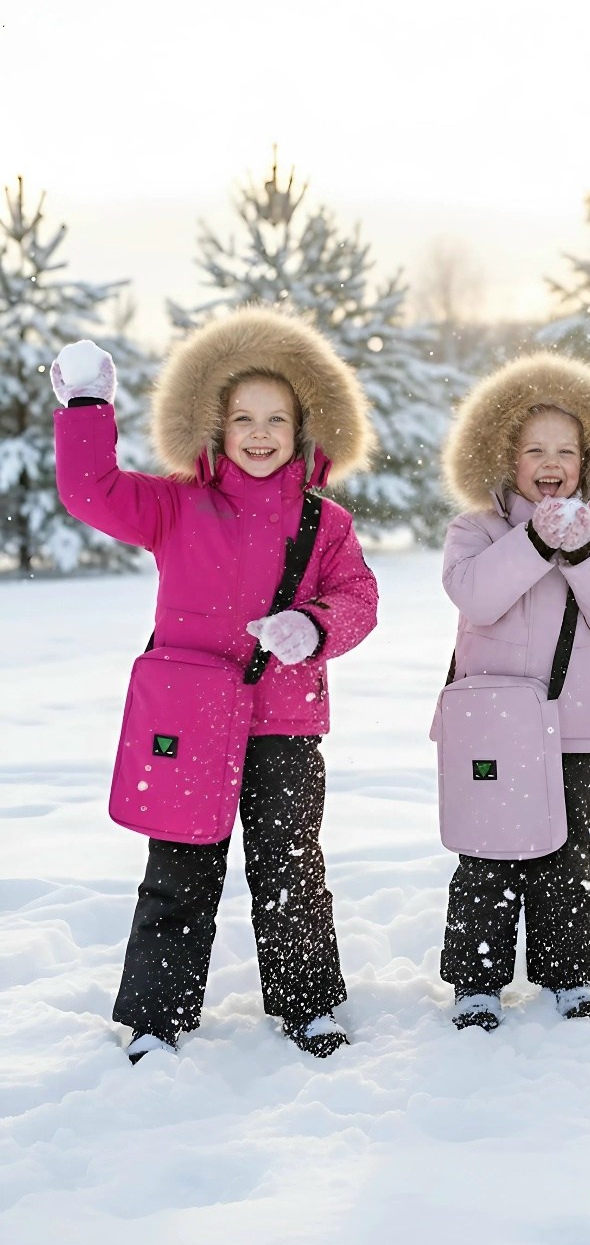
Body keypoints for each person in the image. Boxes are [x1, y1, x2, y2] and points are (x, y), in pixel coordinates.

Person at [51, 306, 379, 1061]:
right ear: (214, 425)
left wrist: (316, 627)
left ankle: (308, 1006)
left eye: (277, 419)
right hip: (188, 724)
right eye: (242, 418)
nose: (260, 434)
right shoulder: (174, 505)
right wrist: (88, 409)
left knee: (291, 870)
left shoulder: (325, 523)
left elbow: (360, 598)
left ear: (305, 429)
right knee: (178, 875)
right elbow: (90, 492)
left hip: (285, 726)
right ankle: (156, 1021)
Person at [437, 352, 590, 1030]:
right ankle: (477, 981)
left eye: (565, 449)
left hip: (571, 726)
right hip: (492, 726)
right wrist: (534, 540)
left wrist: (583, 549)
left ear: (588, 461)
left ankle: (568, 976)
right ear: (507, 458)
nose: (550, 460)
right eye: (534, 448)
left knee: (567, 855)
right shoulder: (477, 531)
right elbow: (475, 594)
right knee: (486, 854)